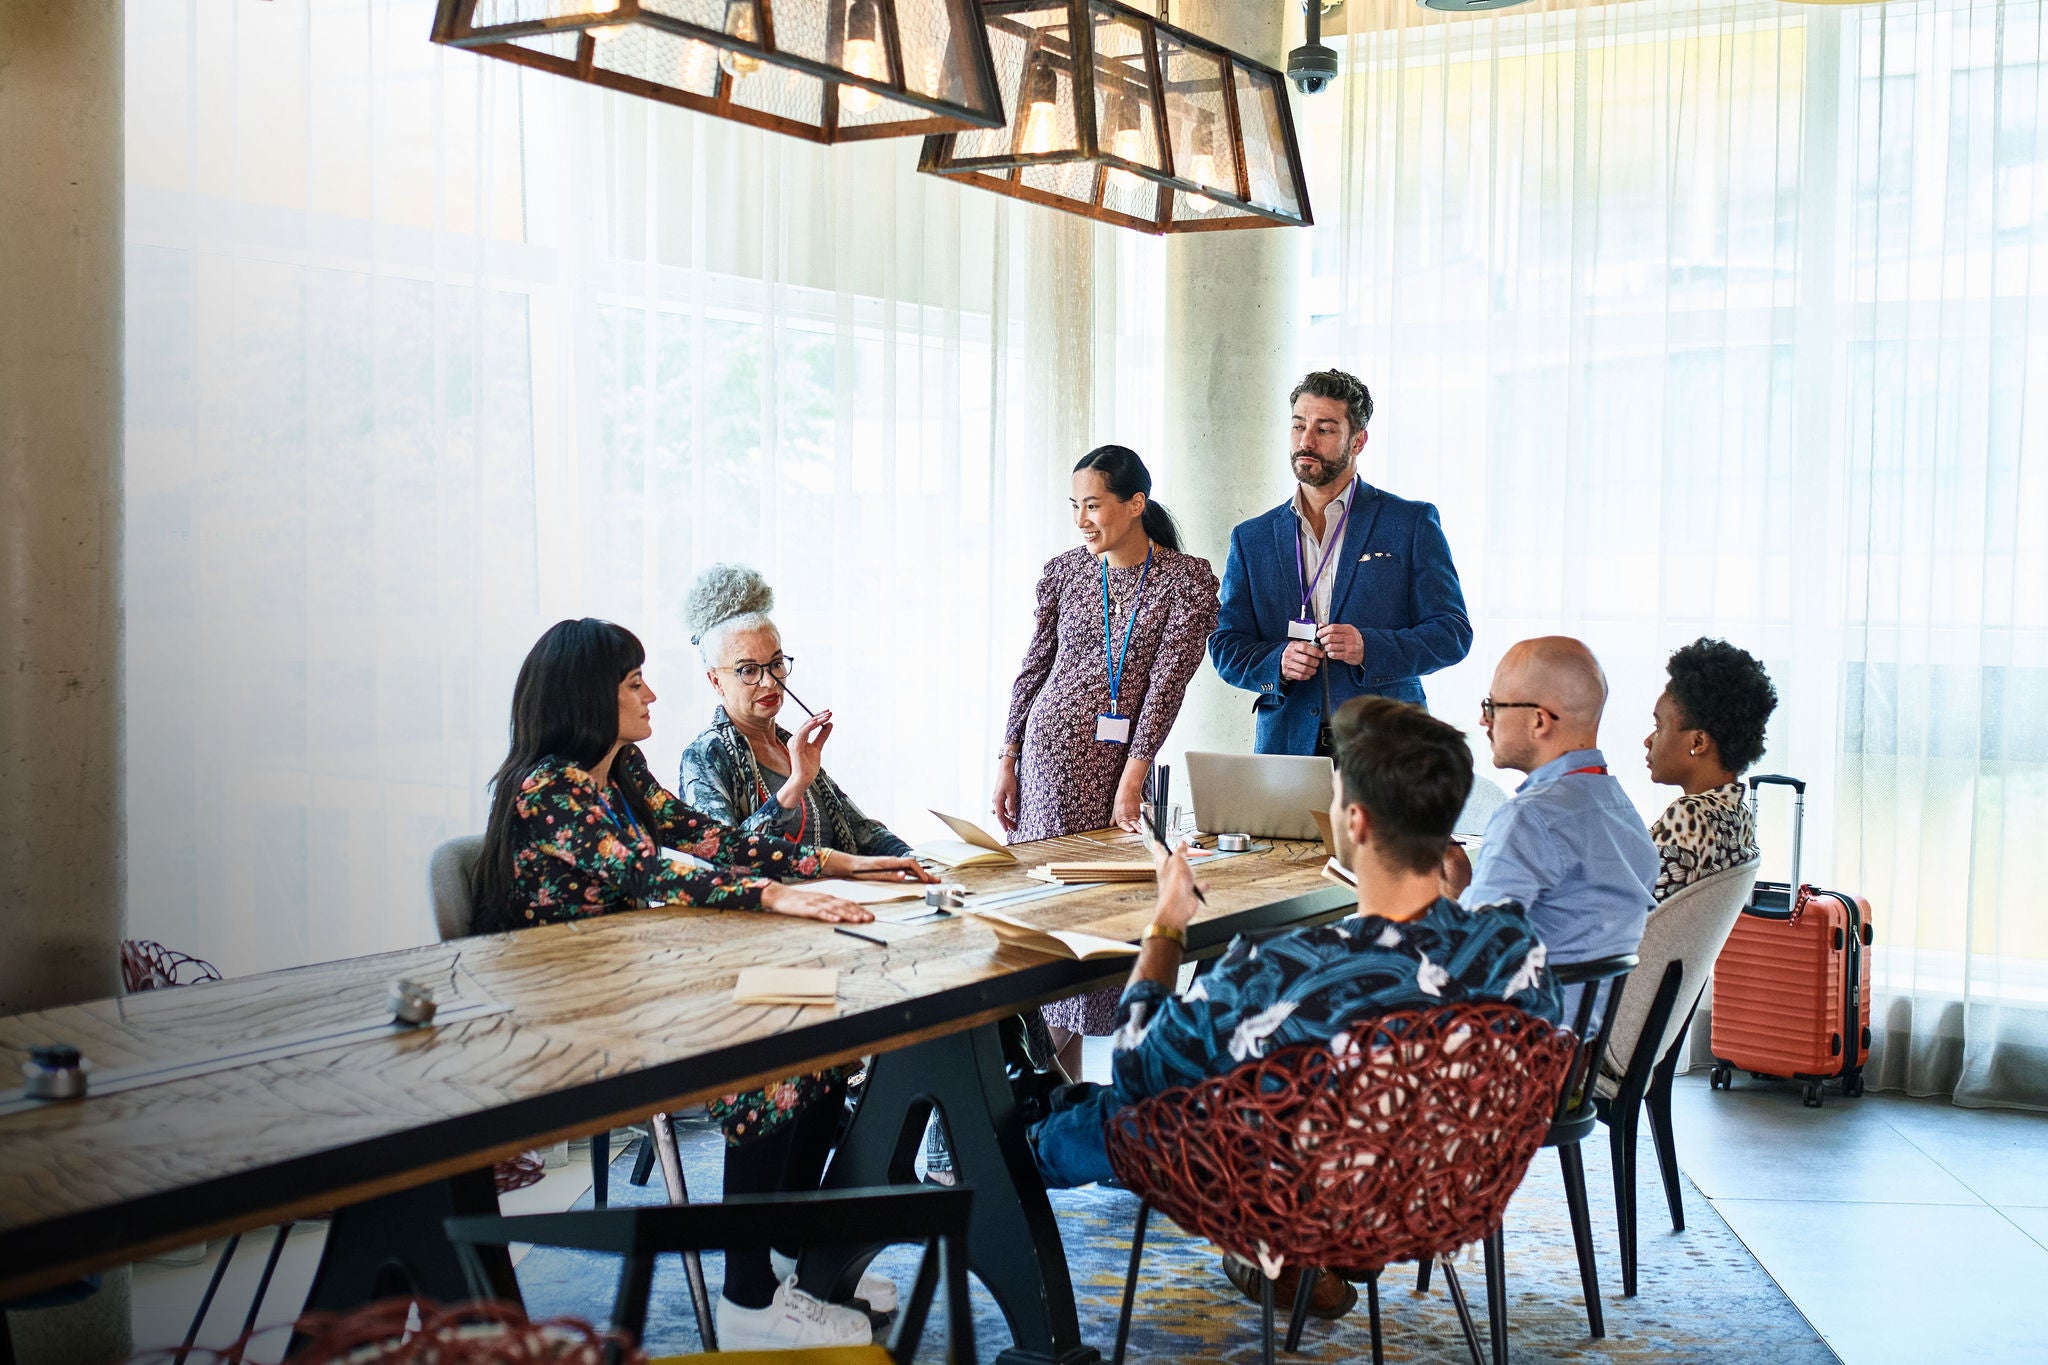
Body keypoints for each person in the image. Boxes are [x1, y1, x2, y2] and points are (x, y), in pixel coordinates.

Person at [472, 618, 929, 1351]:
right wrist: (774, 895)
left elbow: (707, 837)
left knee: (822, 1020)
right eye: (633, 682)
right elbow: (647, 866)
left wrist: (838, 864)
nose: (652, 693)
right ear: (589, 695)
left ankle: (784, 1260)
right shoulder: (546, 790)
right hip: (571, 1014)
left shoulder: (619, 771)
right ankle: (748, 1300)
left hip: (637, 983)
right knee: (771, 1056)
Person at [1028, 696, 1561, 1316]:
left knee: (1113, 1116)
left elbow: (1137, 1062)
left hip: (1292, 1200)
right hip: (1431, 1194)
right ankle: (1040, 1106)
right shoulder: (1517, 950)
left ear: (1354, 823)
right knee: (1139, 1099)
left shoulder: (1283, 968)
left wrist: (1167, 922)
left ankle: (1010, 1147)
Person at [992, 446, 1220, 1072]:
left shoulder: (1186, 579)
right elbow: (1034, 667)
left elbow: (1167, 684)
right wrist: (1008, 753)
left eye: (1092, 505)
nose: (1081, 520)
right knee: (1048, 918)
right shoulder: (1064, 571)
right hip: (1044, 766)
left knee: (1104, 921)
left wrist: (1135, 770)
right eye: (1074, 506)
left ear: (1135, 504)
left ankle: (1071, 1091)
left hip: (1117, 773)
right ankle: (1039, 1086)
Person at [1209, 369, 1472, 756]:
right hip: (1288, 747)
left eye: (1324, 429)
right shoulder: (1252, 538)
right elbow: (1227, 646)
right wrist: (1276, 663)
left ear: (1358, 440)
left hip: (1387, 748)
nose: (1306, 441)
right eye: (1298, 426)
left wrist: (1370, 646)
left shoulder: (1409, 523)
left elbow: (1452, 634)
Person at [678, 564, 915, 859]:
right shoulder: (704, 756)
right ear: (716, 681)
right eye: (748, 670)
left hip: (834, 899)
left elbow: (861, 831)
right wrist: (796, 784)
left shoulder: (791, 745)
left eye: (776, 663)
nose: (769, 682)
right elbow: (725, 858)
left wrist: (916, 862)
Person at [1448, 637, 1658, 965]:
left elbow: (1470, 959)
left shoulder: (1528, 818)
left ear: (1539, 721)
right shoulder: (1623, 812)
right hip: (1596, 1014)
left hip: (1527, 1014)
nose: (1483, 721)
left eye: (1492, 706)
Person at [1643, 638, 1778, 902]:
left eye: (1659, 728)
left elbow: (1635, 914)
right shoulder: (1738, 815)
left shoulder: (1690, 815)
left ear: (1698, 742)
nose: (1648, 740)